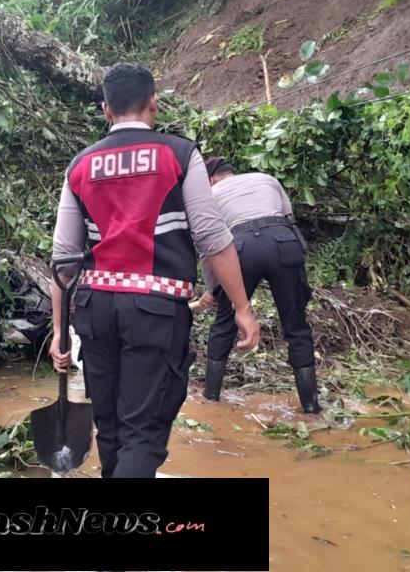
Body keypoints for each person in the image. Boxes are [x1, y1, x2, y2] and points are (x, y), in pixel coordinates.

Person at [49, 63, 260, 478]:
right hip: (156, 313)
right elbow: (211, 236)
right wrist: (241, 307)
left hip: (95, 311)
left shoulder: (80, 165)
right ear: (153, 104)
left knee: (108, 427)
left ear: (105, 110)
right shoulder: (180, 154)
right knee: (142, 433)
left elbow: (63, 258)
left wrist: (59, 331)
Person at [196, 157, 320, 414]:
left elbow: (209, 248)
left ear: (211, 179)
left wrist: (214, 290)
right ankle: (310, 407)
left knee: (224, 324)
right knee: (296, 326)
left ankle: (211, 399)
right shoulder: (267, 179)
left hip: (241, 249)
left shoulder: (210, 195)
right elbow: (288, 219)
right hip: (283, 243)